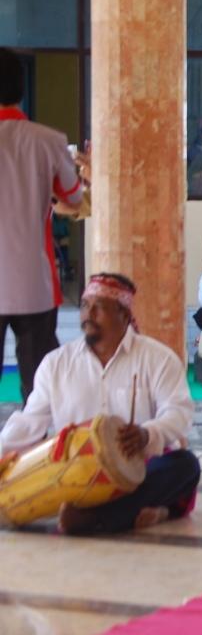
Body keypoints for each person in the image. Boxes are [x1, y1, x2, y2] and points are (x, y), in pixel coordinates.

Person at [0, 273, 200, 535]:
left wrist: (146, 434)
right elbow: (29, 422)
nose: (88, 314)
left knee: (185, 466)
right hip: (74, 474)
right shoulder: (56, 364)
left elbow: (179, 411)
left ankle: (94, 518)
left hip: (139, 468)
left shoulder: (158, 358)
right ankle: (132, 513)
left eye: (99, 307)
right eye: (84, 305)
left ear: (125, 315)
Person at [0, 48, 86, 402]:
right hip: (33, 282)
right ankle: (37, 456)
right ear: (21, 89)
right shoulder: (48, 140)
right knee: (38, 392)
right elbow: (74, 197)